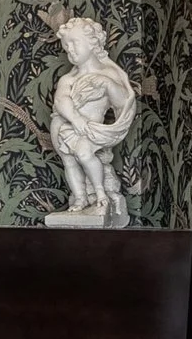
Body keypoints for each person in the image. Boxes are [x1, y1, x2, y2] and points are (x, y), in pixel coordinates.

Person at [48, 17, 137, 227]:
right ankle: (80, 197)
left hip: (91, 130)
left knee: (84, 154)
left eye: (74, 42)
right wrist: (76, 118)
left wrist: (107, 84)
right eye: (66, 45)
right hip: (66, 127)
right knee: (69, 160)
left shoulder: (108, 75)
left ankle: (100, 193)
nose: (70, 49)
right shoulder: (67, 80)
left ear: (92, 43)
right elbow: (61, 101)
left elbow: (122, 103)